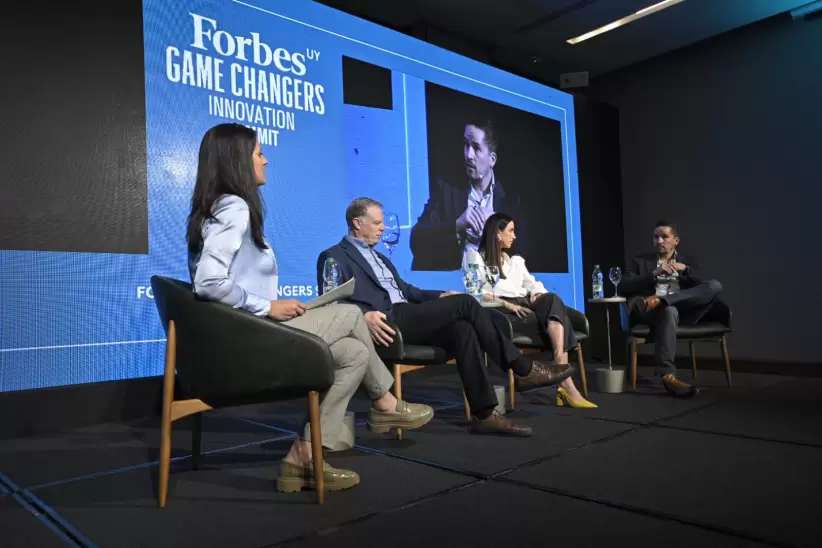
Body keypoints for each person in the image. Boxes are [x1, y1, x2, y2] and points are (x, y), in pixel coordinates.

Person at [186, 124, 434, 494]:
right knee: (350, 313)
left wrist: (269, 306)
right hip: (247, 340)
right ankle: (385, 401)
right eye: (258, 153)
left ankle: (302, 455)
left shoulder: (217, 208)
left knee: (351, 353)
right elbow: (207, 282)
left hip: (243, 332)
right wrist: (266, 305)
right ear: (238, 160)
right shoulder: (235, 207)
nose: (265, 159)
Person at [317, 197, 575, 438]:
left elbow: (408, 291)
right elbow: (331, 303)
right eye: (377, 223)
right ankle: (523, 369)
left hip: (407, 313)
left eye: (382, 223)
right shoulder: (334, 256)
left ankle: (485, 414)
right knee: (465, 303)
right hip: (386, 322)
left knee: (463, 327)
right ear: (357, 223)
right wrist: (363, 317)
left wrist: (440, 295)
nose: (383, 228)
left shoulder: (380, 257)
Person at [466, 213, 597, 409]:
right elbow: (475, 292)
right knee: (561, 320)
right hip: (503, 312)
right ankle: (566, 383)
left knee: (551, 299)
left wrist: (536, 295)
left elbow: (533, 284)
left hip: (526, 307)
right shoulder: (475, 257)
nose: (514, 236)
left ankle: (559, 365)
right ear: (497, 233)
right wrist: (507, 304)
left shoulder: (516, 261)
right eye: (510, 231)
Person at [621, 221, 723, 397]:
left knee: (715, 286)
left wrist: (686, 270)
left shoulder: (687, 262)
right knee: (670, 311)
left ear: (676, 240)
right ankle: (668, 376)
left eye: (664, 237)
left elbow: (705, 286)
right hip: (654, 313)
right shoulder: (640, 262)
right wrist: (654, 273)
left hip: (686, 312)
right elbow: (622, 287)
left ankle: (662, 300)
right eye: (656, 237)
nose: (659, 241)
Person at [410, 119, 524, 271]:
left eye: (476, 148)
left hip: (495, 286)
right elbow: (417, 240)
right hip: (455, 285)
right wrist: (457, 226)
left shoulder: (511, 199)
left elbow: (527, 254)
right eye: (466, 145)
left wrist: (497, 231)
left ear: (492, 159)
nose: (468, 155)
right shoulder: (446, 189)